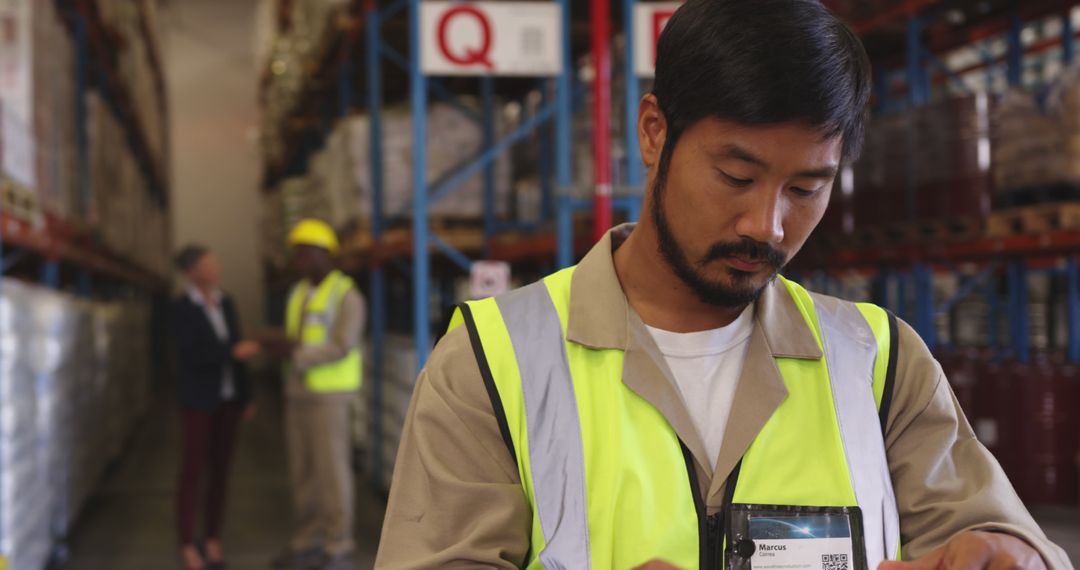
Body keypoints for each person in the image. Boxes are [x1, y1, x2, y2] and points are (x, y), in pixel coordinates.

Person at [376, 1, 1072, 569]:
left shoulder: (879, 361)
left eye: (806, 187)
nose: (766, 225)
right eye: (736, 177)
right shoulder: (493, 363)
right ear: (654, 134)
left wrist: (1013, 555)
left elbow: (1000, 535)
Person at [269, 219, 365, 570]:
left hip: (330, 396)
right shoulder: (298, 293)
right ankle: (308, 539)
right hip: (298, 393)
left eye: (305, 253)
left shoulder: (346, 295)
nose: (298, 260)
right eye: (296, 254)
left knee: (332, 472)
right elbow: (298, 336)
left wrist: (294, 354)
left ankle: (338, 544)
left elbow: (343, 344)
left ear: (325, 254)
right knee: (304, 472)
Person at [172, 245, 260, 570]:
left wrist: (247, 396)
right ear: (191, 272)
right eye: (208, 264)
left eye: (215, 261)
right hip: (198, 399)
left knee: (221, 472)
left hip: (229, 399)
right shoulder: (183, 309)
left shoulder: (227, 302)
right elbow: (191, 356)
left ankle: (212, 538)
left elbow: (238, 352)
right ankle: (186, 542)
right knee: (193, 471)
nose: (215, 268)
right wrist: (231, 353)